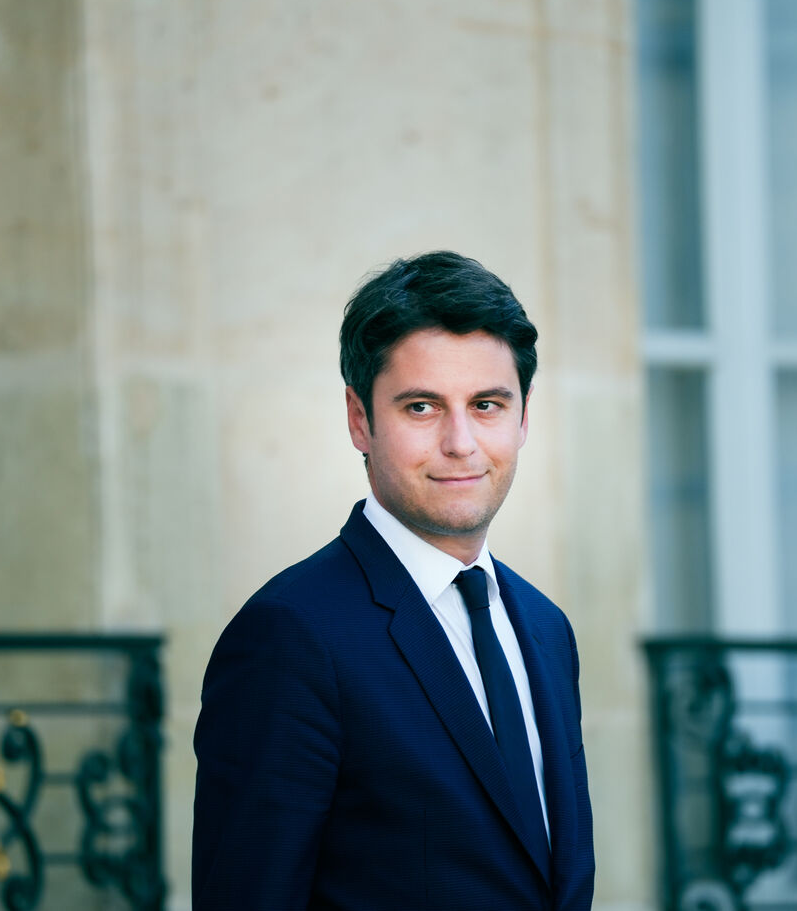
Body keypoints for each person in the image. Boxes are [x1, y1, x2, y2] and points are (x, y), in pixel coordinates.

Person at [191, 250, 594, 909]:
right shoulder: (290, 636)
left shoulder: (548, 630)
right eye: (422, 407)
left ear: (523, 418)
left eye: (487, 404)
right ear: (360, 419)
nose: (460, 442)